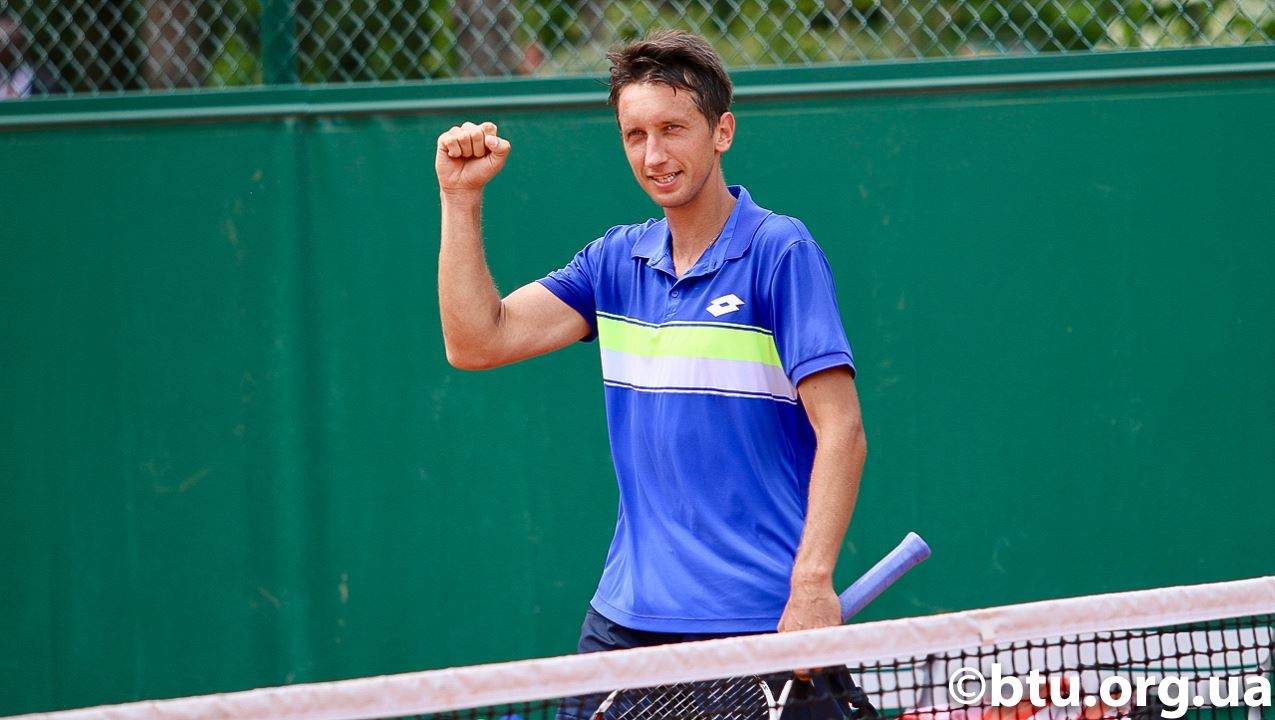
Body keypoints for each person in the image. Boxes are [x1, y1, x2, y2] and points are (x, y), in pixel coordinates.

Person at [434, 29, 868, 718]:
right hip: (625, 626)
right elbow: (476, 342)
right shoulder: (613, 262)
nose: (654, 155)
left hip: (758, 622)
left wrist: (812, 584)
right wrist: (459, 200)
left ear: (721, 131)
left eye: (672, 129)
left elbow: (841, 428)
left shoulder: (779, 251)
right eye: (634, 135)